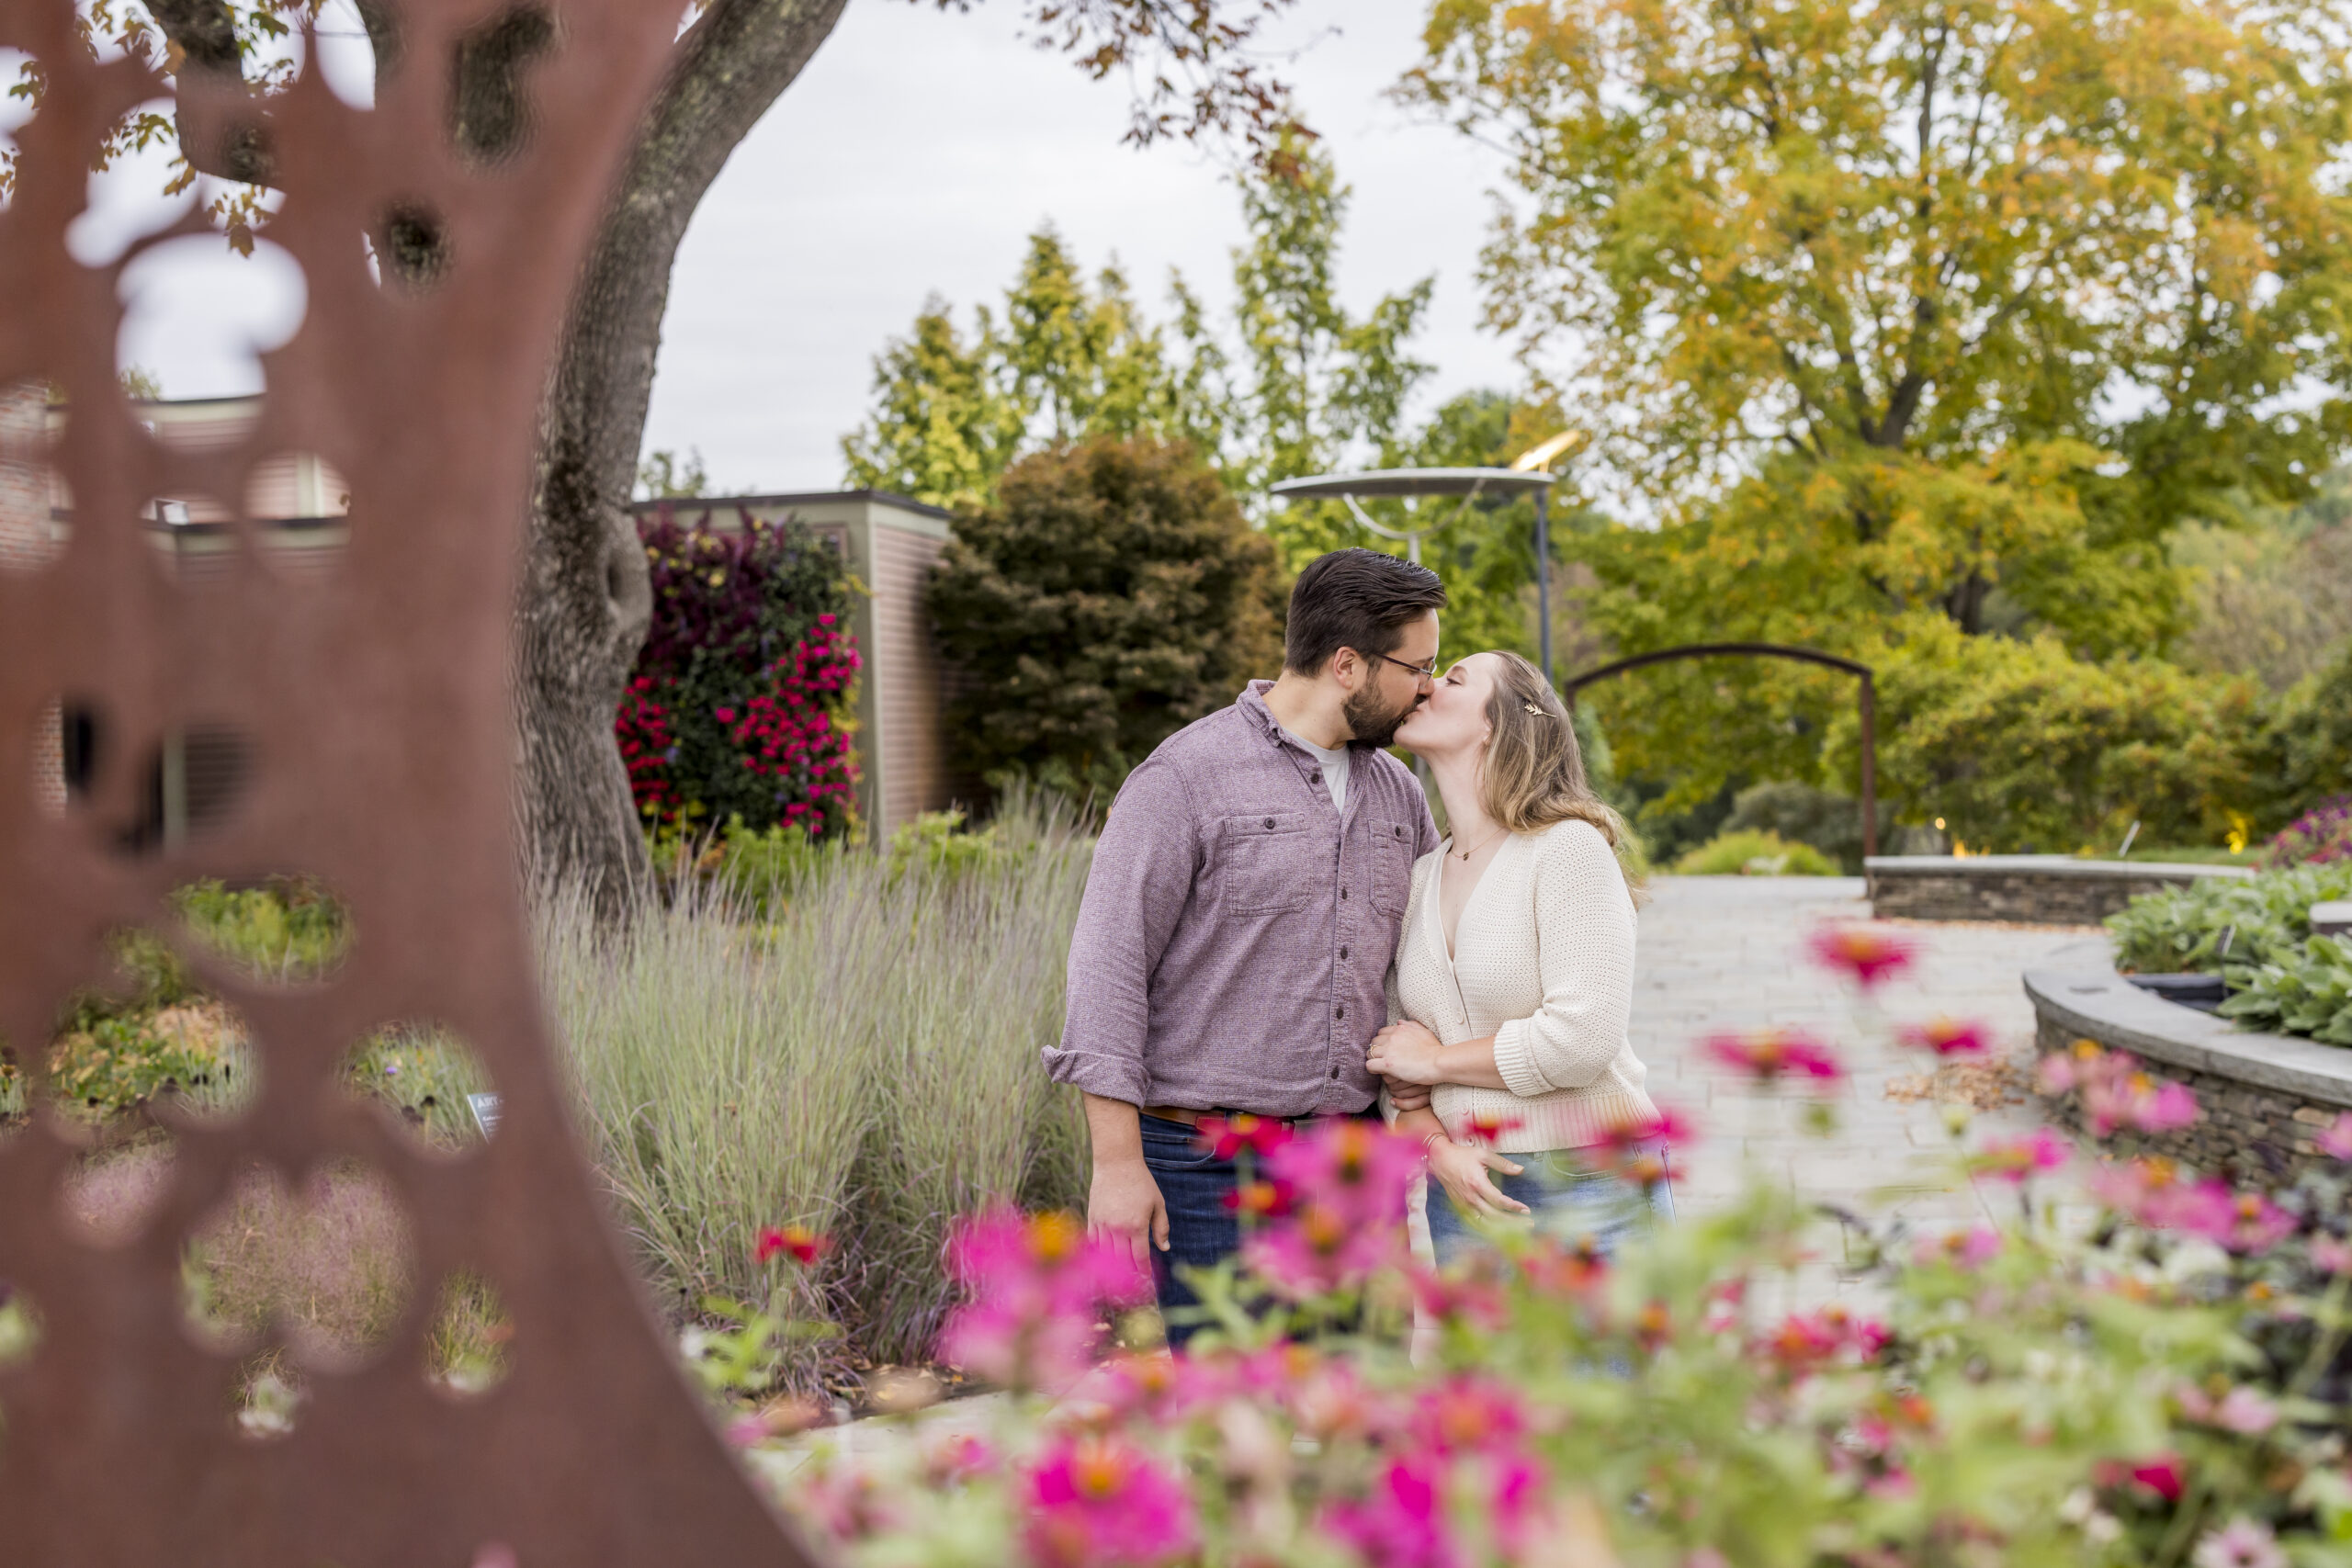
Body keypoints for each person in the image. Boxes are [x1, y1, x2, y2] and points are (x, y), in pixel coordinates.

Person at [1046, 547, 1446, 1339]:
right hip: (1204, 1166)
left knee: (1364, 1414)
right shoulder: (1184, 777)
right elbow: (1107, 968)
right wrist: (1117, 1164)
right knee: (1234, 1426)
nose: (1430, 686)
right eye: (1418, 666)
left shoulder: (1399, 790)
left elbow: (1431, 955)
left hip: (1347, 1159)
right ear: (1346, 665)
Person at [1366, 650, 1668, 1268]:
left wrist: (1437, 1061)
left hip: (1592, 1181)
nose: (1426, 686)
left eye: (1453, 679)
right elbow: (1400, 1065)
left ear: (1495, 724)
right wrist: (1437, 1148)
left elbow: (1582, 1039)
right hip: (1467, 1195)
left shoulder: (1568, 848)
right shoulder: (1419, 877)